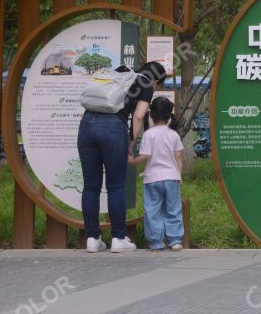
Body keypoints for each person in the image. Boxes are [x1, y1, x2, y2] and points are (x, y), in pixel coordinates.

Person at [78, 61, 167, 253]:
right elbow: (138, 116)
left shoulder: (118, 73)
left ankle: (92, 239)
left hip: (86, 125)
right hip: (112, 128)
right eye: (157, 86)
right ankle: (118, 238)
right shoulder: (145, 83)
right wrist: (131, 144)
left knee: (90, 186)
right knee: (116, 186)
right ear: (156, 81)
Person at [128, 96, 185, 251]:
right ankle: (175, 241)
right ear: (169, 116)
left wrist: (132, 162)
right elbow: (178, 156)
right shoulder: (173, 135)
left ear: (151, 116)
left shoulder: (149, 134)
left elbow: (145, 155)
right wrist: (178, 175)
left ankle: (156, 242)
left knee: (152, 210)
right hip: (171, 177)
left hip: (152, 178)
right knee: (173, 209)